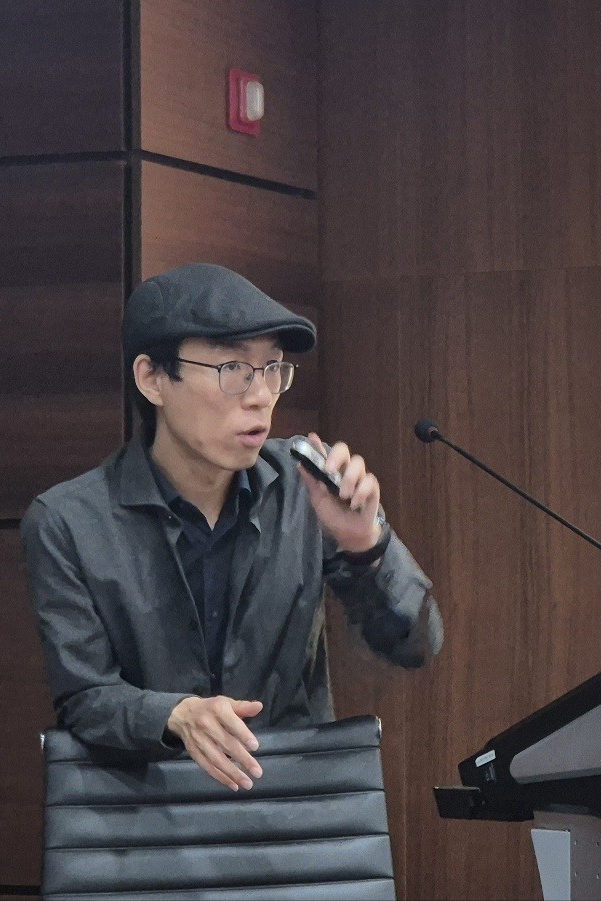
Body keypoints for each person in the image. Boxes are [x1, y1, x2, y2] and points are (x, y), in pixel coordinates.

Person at [22, 263, 443, 791]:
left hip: (288, 803)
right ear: (152, 378)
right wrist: (174, 714)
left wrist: (366, 546)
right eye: (234, 369)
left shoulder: (305, 491)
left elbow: (416, 647)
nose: (261, 394)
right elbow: (84, 697)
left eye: (272, 369)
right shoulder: (68, 522)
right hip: (147, 808)